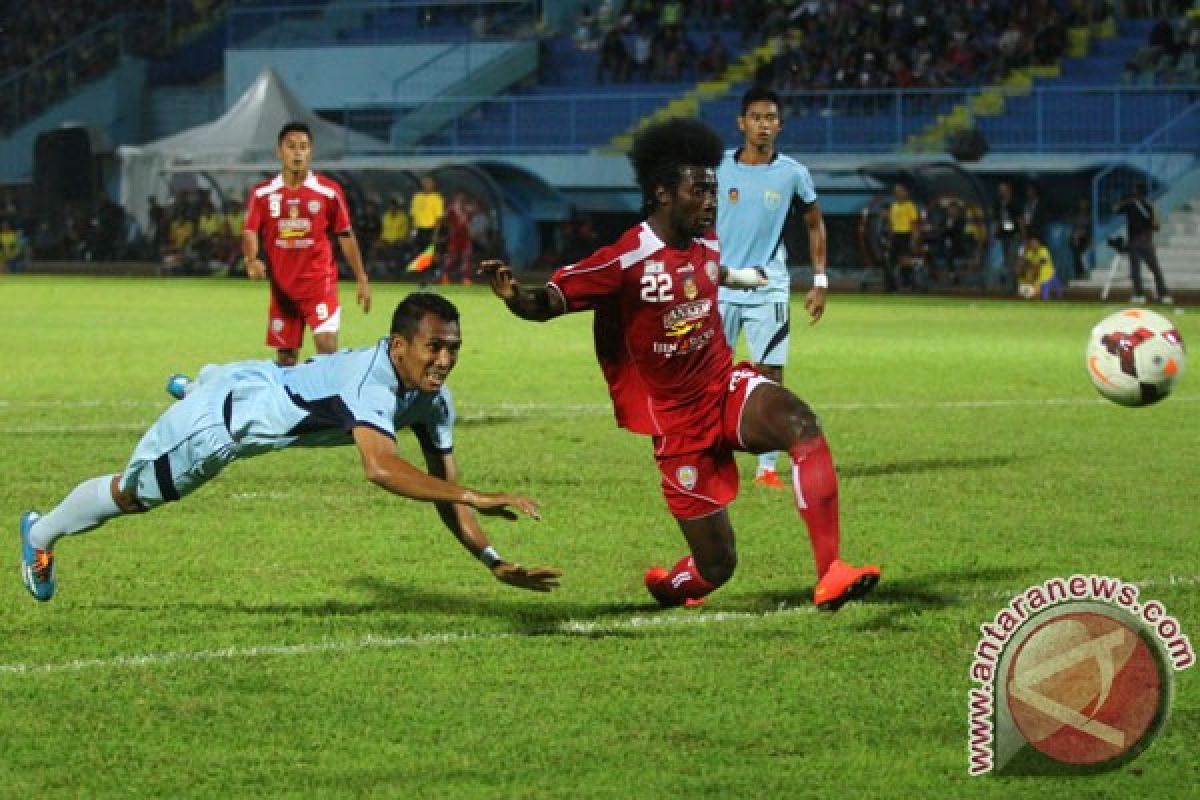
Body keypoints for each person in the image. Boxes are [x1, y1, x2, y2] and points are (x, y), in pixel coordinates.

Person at [481, 117, 880, 612]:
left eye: (713, 189)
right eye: (700, 190)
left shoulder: (708, 243)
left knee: (801, 424)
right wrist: (515, 295)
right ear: (663, 193)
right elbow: (552, 301)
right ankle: (669, 587)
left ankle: (831, 572)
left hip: (725, 387)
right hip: (676, 424)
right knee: (717, 567)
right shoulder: (624, 259)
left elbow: (712, 274)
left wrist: (747, 278)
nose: (711, 200)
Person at [19, 293, 561, 603]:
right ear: (399, 347)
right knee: (132, 495)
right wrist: (476, 494)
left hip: (260, 379)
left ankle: (197, 383)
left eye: (453, 349)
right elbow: (380, 467)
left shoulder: (433, 401)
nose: (443, 360)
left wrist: (492, 560)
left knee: (266, 387)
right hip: (218, 429)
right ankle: (39, 534)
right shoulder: (372, 383)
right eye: (433, 347)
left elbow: (446, 495)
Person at [716, 86, 828, 491]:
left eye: (771, 119)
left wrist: (819, 280)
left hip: (768, 287)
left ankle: (766, 466)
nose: (764, 125)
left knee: (769, 373)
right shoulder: (718, 168)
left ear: (779, 126)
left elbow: (814, 223)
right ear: (741, 123)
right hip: (720, 285)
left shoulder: (793, 173)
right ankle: (711, 453)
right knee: (710, 372)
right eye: (756, 117)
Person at [243, 122, 372, 367]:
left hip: (318, 284)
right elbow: (250, 230)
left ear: (311, 152)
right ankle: (291, 405)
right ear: (279, 152)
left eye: (303, 147)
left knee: (327, 349)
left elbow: (345, 235)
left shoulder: (328, 192)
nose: (298, 152)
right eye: (291, 147)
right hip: (282, 291)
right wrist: (251, 259)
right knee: (286, 360)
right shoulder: (263, 193)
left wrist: (361, 278)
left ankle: (327, 405)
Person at [1114, 182, 1173, 305]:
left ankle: (1139, 295)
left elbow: (1115, 209)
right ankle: (1164, 295)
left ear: (1135, 192)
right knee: (1155, 269)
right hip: (1147, 241)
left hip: (1134, 241)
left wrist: (1125, 201)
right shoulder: (1149, 205)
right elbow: (1156, 226)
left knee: (1135, 270)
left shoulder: (1129, 204)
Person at [886, 183, 919, 292]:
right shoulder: (894, 206)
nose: (898, 193)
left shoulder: (910, 206)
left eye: (900, 191)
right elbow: (891, 223)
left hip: (906, 234)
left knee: (905, 260)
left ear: (906, 193)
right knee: (890, 261)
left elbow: (914, 223)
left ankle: (909, 284)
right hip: (896, 235)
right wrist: (890, 238)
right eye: (896, 191)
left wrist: (914, 239)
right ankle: (891, 286)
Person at [1016, 231, 1059, 300]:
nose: (1032, 244)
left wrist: (1032, 279)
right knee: (1022, 280)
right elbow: (1023, 264)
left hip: (1046, 277)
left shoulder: (1043, 250)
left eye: (1034, 242)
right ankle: (1028, 295)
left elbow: (1040, 265)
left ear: (1038, 243)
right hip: (1035, 277)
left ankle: (1037, 296)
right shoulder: (1030, 252)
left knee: (1037, 293)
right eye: (1031, 243)